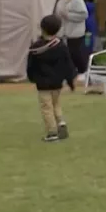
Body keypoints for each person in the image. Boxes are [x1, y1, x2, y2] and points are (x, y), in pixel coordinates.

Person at [27, 14, 77, 142]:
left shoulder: (36, 48)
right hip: (57, 83)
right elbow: (68, 65)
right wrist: (70, 82)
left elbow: (31, 66)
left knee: (46, 108)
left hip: (43, 84)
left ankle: (52, 133)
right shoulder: (61, 46)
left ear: (42, 28)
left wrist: (32, 77)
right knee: (56, 105)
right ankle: (61, 123)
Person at [53, 0, 89, 79]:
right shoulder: (60, 1)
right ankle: (68, 73)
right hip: (63, 32)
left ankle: (83, 72)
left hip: (75, 32)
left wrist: (68, 15)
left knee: (75, 52)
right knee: (64, 53)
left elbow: (84, 14)